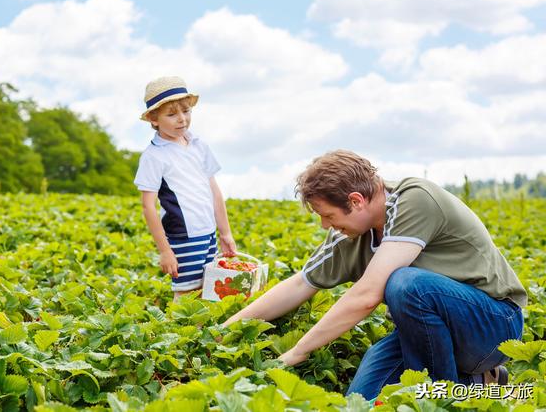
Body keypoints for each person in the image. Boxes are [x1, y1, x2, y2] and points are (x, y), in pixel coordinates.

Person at [224, 150, 525, 400]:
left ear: (356, 201)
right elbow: (302, 283)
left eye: (328, 215)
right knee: (360, 400)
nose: (325, 226)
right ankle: (479, 384)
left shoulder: (414, 200)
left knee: (405, 283)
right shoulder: (350, 235)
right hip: (423, 335)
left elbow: (367, 295)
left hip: (495, 325)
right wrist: (225, 330)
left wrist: (296, 353)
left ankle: (441, 397)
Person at [134, 76, 237, 300]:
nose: (182, 119)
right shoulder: (154, 156)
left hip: (208, 232)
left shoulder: (199, 144)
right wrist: (165, 251)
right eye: (171, 114)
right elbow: (148, 206)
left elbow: (214, 191)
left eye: (186, 111)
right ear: (153, 119)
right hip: (182, 235)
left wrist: (225, 232)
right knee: (186, 294)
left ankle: (208, 335)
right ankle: (183, 333)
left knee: (210, 290)